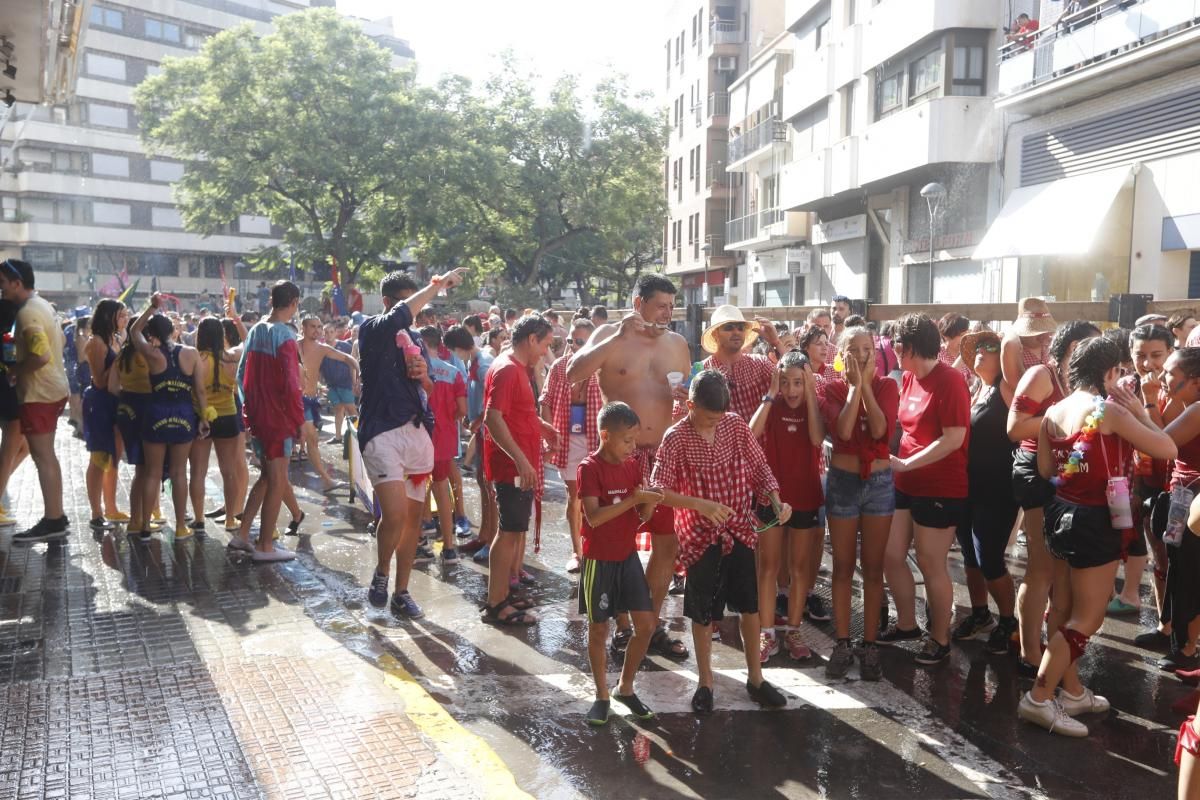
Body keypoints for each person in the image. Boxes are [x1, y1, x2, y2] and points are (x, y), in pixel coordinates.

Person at [1019, 336, 1176, 737]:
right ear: (1110, 372)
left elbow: (1043, 468)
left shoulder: (1054, 409)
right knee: (1088, 617)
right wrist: (1139, 411)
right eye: (1120, 371)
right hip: (1096, 519)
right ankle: (1038, 698)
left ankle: (1071, 691)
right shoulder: (1107, 410)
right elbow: (1167, 448)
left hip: (1059, 512)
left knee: (1066, 607)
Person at [567, 274, 693, 660]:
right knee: (616, 547)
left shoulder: (676, 344)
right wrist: (617, 337)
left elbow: (684, 395)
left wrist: (685, 398)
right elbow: (573, 373)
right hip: (620, 458)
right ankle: (622, 626)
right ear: (639, 304)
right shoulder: (610, 334)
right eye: (660, 306)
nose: (667, 314)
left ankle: (648, 626)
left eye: (672, 307)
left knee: (666, 545)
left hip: (663, 455)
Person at [652, 370, 791, 711]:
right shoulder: (675, 437)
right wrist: (699, 504)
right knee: (703, 614)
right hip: (700, 537)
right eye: (708, 418)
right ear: (690, 406)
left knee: (749, 607)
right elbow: (657, 491)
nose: (715, 424)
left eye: (719, 418)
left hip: (739, 528)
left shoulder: (736, 426)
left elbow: (760, 468)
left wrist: (776, 500)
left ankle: (756, 678)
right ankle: (706, 682)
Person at [359, 269, 463, 616]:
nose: (413, 312)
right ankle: (381, 572)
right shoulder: (372, 329)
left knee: (415, 520)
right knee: (394, 513)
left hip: (418, 433)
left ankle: (401, 592)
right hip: (382, 432)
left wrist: (423, 377)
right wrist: (437, 284)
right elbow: (403, 313)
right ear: (388, 303)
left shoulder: (416, 340)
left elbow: (429, 388)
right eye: (406, 303)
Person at [1008, 320, 1101, 674]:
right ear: (1074, 347)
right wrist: (1061, 418)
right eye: (1092, 346)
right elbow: (1014, 427)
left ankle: (1051, 652)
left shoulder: (1086, 383)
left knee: (1062, 570)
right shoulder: (1041, 375)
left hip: (1069, 470)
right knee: (1041, 568)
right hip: (1035, 468)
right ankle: (1028, 652)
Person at [880, 314, 970, 666]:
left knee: (932, 563)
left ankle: (940, 639)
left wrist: (907, 464)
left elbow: (954, 439)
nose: (893, 351)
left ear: (912, 346)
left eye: (898, 345)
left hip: (940, 486)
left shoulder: (950, 381)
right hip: (905, 481)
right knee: (891, 555)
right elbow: (904, 428)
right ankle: (906, 625)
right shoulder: (907, 378)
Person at [822, 326, 900, 680]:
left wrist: (867, 384)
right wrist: (855, 385)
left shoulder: (887, 386)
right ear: (841, 354)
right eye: (853, 350)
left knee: (872, 567)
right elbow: (843, 430)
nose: (862, 355)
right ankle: (842, 642)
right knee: (841, 565)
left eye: (867, 348)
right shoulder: (833, 387)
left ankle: (868, 645)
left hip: (879, 482)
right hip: (843, 482)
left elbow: (882, 430)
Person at [578, 401, 662, 727]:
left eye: (634, 440)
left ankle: (625, 687)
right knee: (598, 629)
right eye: (627, 440)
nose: (632, 447)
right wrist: (634, 500)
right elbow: (594, 517)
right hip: (599, 561)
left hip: (627, 558)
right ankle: (601, 695)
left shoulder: (632, 466)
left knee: (646, 626)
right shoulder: (589, 467)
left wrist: (649, 503)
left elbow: (640, 515)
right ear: (605, 435)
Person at [481, 314, 557, 625]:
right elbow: (493, 418)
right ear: (531, 340)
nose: (546, 352)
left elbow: (514, 412)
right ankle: (496, 603)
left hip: (519, 463)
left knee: (513, 531)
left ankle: (502, 594)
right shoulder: (509, 369)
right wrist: (522, 461)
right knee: (509, 532)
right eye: (545, 345)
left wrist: (540, 427)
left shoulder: (513, 366)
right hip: (513, 467)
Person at [749, 350, 825, 663]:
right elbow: (751, 435)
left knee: (798, 568)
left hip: (805, 497)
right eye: (786, 383)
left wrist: (809, 394)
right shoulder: (773, 404)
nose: (791, 390)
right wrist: (769, 394)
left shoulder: (813, 405)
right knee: (768, 568)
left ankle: (794, 630)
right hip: (771, 497)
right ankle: (767, 632)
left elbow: (818, 438)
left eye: (798, 382)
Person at [950, 330, 1019, 654]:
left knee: (990, 557)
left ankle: (1009, 621)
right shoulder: (975, 390)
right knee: (970, 556)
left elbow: (1013, 345)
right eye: (977, 348)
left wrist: (1004, 338)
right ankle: (981, 615)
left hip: (999, 489)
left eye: (989, 347)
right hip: (967, 487)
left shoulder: (1007, 388)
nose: (981, 351)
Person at [233, 280, 305, 562]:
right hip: (278, 418)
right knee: (277, 479)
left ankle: (242, 535)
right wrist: (298, 420)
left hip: (257, 414)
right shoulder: (285, 336)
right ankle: (265, 545)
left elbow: (240, 375)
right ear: (295, 302)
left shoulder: (256, 331)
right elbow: (291, 384)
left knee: (266, 476)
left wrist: (248, 408)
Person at [128, 297, 208, 541]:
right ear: (173, 331)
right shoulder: (192, 353)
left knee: (152, 473)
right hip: (183, 415)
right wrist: (204, 418)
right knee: (179, 472)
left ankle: (143, 525)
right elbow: (200, 390)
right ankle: (182, 527)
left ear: (152, 334)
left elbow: (133, 331)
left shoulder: (151, 353)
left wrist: (151, 307)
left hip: (156, 414)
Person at [3, 259, 71, 543]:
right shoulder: (43, 305)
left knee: (44, 458)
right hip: (53, 389)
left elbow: (41, 355)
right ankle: (57, 516)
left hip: (39, 394)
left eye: (3, 283)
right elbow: (60, 345)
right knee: (47, 456)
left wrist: (16, 370)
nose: (1, 289)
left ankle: (53, 519)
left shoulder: (28, 313)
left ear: (17, 283)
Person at [1108, 325, 1173, 618]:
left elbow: (1169, 441)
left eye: (1156, 355)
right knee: (1144, 540)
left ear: (1171, 352)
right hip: (1137, 478)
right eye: (1140, 356)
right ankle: (1162, 619)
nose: (1148, 364)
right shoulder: (1124, 387)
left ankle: (1175, 627)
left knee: (1175, 554)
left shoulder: (1183, 384)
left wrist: (1146, 403)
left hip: (1177, 480)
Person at [541, 318, 603, 574]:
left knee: (596, 497)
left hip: (596, 440)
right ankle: (577, 552)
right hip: (567, 438)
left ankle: (596, 548)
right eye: (570, 341)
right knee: (574, 496)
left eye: (579, 342)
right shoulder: (559, 366)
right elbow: (545, 400)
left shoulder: (602, 368)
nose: (573, 346)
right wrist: (549, 434)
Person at [1159, 348, 1200, 674]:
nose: (1162, 377)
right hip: (1182, 495)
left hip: (1194, 498)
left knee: (1190, 571)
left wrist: (1142, 404)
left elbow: (1160, 442)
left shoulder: (1198, 409)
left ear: (1195, 382)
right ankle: (1177, 640)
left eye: (1171, 373)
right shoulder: (1187, 405)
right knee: (1180, 566)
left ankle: (1187, 648)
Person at [188, 316, 248, 537]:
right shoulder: (231, 356)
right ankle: (231, 519)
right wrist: (236, 319)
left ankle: (198, 518)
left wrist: (204, 414)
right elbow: (247, 340)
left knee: (198, 472)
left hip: (201, 417)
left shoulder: (196, 358)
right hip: (228, 416)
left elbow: (199, 391)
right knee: (229, 471)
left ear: (200, 335)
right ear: (221, 336)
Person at [444, 325, 498, 563]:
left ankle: (493, 539)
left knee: (491, 487)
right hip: (481, 430)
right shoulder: (473, 361)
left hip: (490, 431)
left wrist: (477, 420)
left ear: (458, 348)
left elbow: (494, 401)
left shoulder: (484, 363)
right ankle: (484, 535)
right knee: (482, 481)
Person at [418, 325, 467, 567]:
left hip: (419, 439)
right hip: (444, 440)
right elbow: (463, 410)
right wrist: (448, 419)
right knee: (442, 491)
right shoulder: (453, 372)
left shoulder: (417, 371)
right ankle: (449, 548)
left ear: (423, 344)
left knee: (415, 490)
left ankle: (419, 541)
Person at [297, 315, 356, 492]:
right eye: (313, 326)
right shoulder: (293, 345)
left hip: (311, 400)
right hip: (297, 400)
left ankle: (324, 479)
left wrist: (358, 370)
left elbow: (346, 358)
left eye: (319, 327)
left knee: (310, 440)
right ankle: (326, 479)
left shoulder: (322, 348)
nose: (317, 330)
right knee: (311, 439)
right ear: (304, 328)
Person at [82, 299, 127, 530]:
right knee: (99, 458)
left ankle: (111, 507)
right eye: (121, 315)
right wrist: (120, 358)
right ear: (108, 316)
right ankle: (96, 512)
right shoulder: (97, 342)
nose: (125, 319)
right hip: (100, 402)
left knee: (113, 459)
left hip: (114, 402)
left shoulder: (115, 339)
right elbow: (100, 380)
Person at [700, 305, 788, 421]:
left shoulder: (760, 363)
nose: (736, 332)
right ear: (715, 334)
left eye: (741, 328)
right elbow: (681, 414)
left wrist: (776, 342)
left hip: (761, 439)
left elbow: (794, 380)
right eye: (729, 327)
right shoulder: (702, 371)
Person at [1001, 297, 1057, 395]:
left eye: (1045, 330)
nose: (1044, 335)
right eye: (1038, 331)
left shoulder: (1050, 346)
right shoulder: (1016, 350)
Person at [320, 320, 358, 444]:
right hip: (331, 385)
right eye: (326, 332)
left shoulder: (345, 346)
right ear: (323, 334)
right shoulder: (320, 349)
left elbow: (352, 364)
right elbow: (319, 368)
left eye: (331, 332)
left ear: (336, 333)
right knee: (337, 409)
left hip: (345, 384)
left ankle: (357, 436)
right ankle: (338, 437)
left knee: (351, 410)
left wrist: (354, 382)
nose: (328, 334)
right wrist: (320, 386)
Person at [937, 312, 973, 386]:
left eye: (966, 334)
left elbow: (972, 381)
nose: (964, 338)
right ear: (946, 336)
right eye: (961, 335)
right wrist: (963, 356)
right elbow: (948, 378)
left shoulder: (969, 353)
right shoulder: (937, 354)